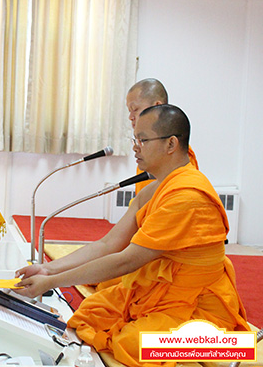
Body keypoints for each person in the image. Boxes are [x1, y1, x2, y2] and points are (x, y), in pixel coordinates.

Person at [15, 104, 249, 367]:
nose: (135, 147)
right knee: (91, 314)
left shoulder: (187, 197)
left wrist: (53, 281)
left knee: (133, 344)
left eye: (143, 140)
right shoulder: (158, 187)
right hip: (160, 291)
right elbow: (108, 244)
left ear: (171, 144)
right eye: (134, 139)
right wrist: (47, 270)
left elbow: (126, 260)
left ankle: (228, 347)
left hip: (197, 303)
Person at [125, 78, 198, 194]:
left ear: (157, 106)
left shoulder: (176, 154)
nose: (130, 117)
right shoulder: (145, 151)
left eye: (135, 109)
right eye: (129, 111)